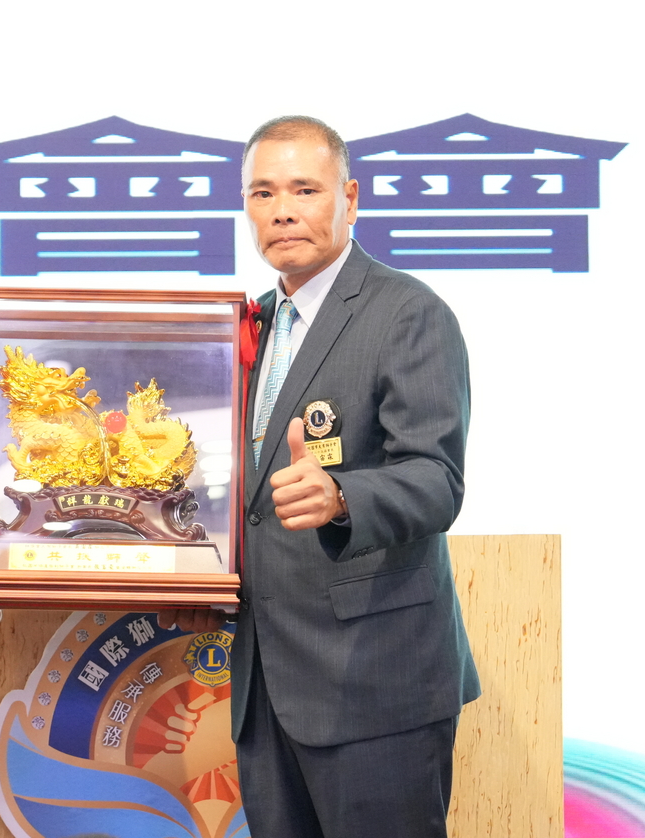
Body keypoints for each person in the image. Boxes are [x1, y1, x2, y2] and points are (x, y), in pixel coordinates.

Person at [166, 115, 480, 838]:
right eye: (263, 193)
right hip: (267, 684)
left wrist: (343, 496)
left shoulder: (409, 313)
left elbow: (437, 479)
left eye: (304, 189)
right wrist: (204, 579)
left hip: (375, 683)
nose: (282, 211)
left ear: (350, 198)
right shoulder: (250, 325)